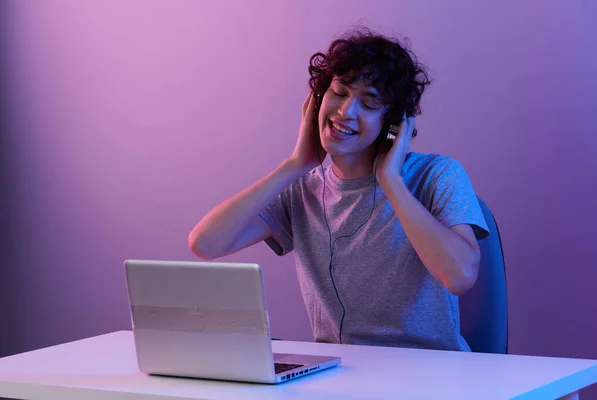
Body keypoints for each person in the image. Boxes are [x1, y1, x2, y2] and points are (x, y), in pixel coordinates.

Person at [188, 27, 490, 351]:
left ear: (393, 123)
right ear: (317, 100)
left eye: (369, 103)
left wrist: (393, 184)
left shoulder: (436, 175)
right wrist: (294, 165)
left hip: (429, 377)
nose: (346, 111)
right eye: (340, 92)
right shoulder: (302, 189)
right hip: (341, 376)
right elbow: (205, 243)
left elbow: (459, 276)